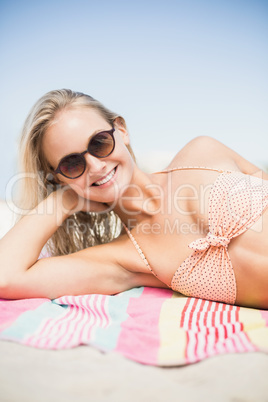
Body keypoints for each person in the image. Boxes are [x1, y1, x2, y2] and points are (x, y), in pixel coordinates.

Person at [0, 89, 268, 309]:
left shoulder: (203, 154)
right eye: (71, 165)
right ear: (59, 178)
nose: (95, 166)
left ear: (121, 130)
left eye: (99, 143)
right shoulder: (124, 260)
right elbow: (6, 276)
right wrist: (62, 201)